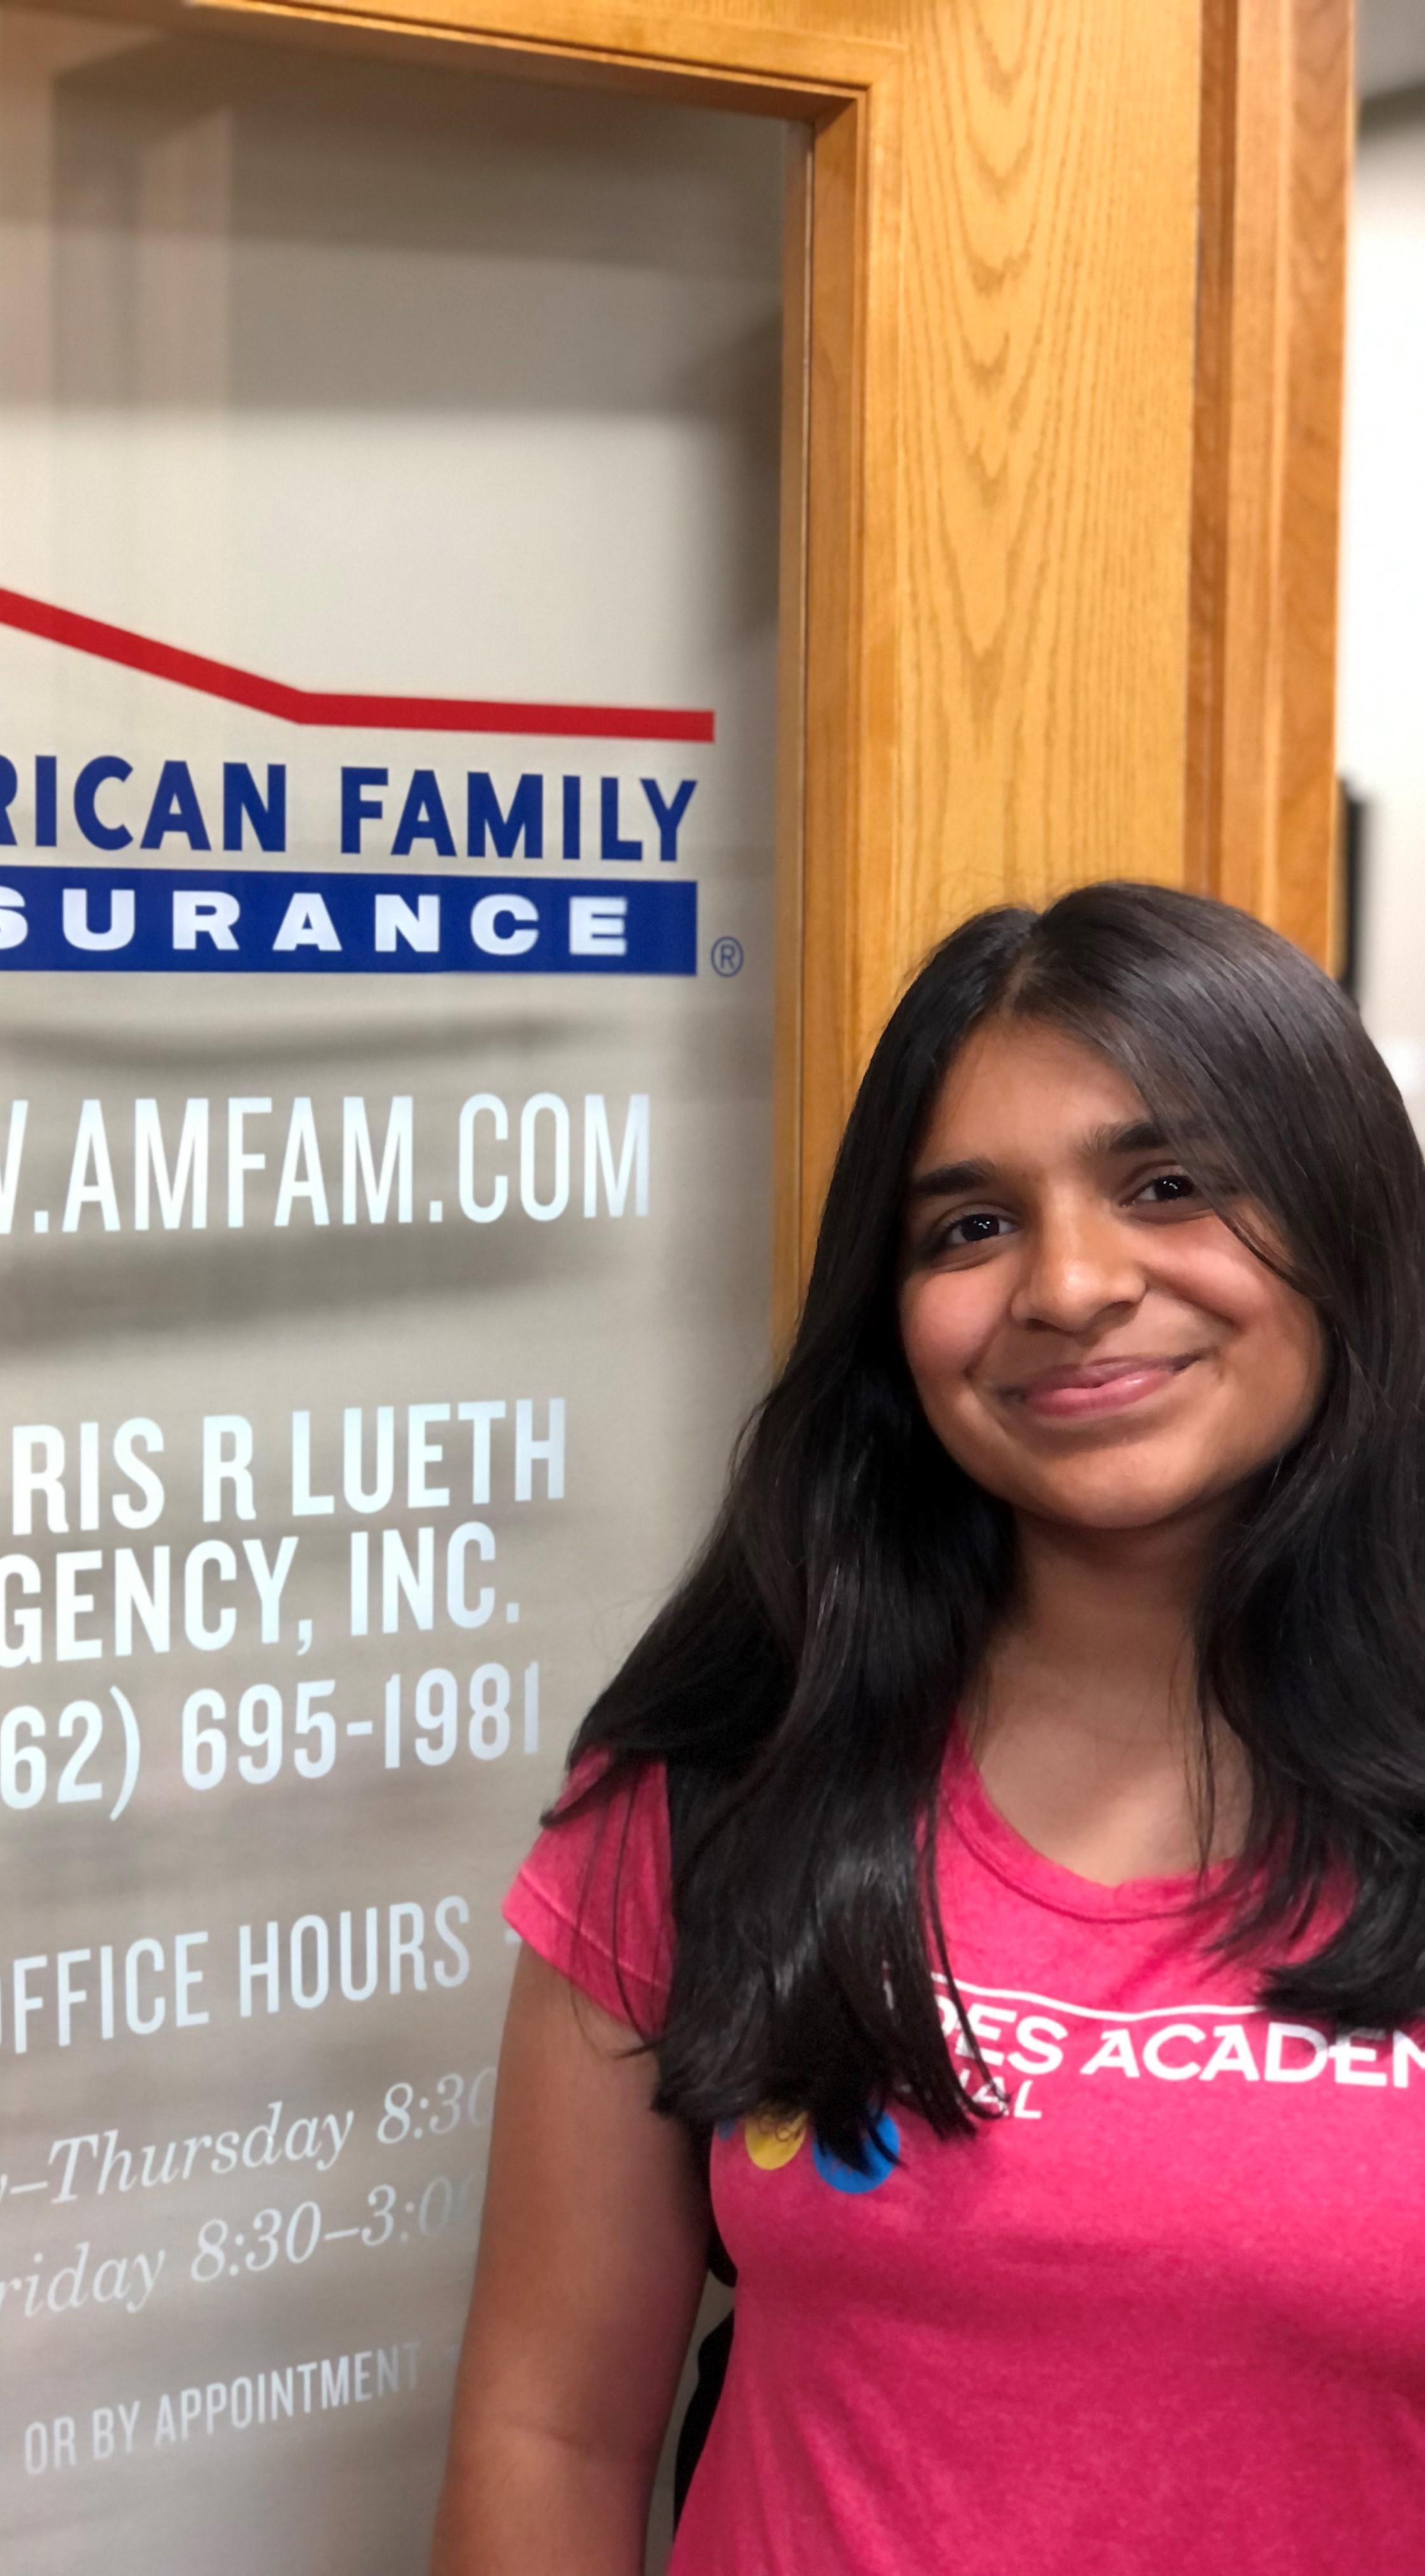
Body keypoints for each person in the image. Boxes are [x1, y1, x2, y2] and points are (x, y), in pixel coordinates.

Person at [432, 883, 1425, 2576]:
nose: (1073, 1284)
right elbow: (549, 2435)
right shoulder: (723, 1772)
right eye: (968, 1228)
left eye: (1167, 1186)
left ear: (1343, 1222)